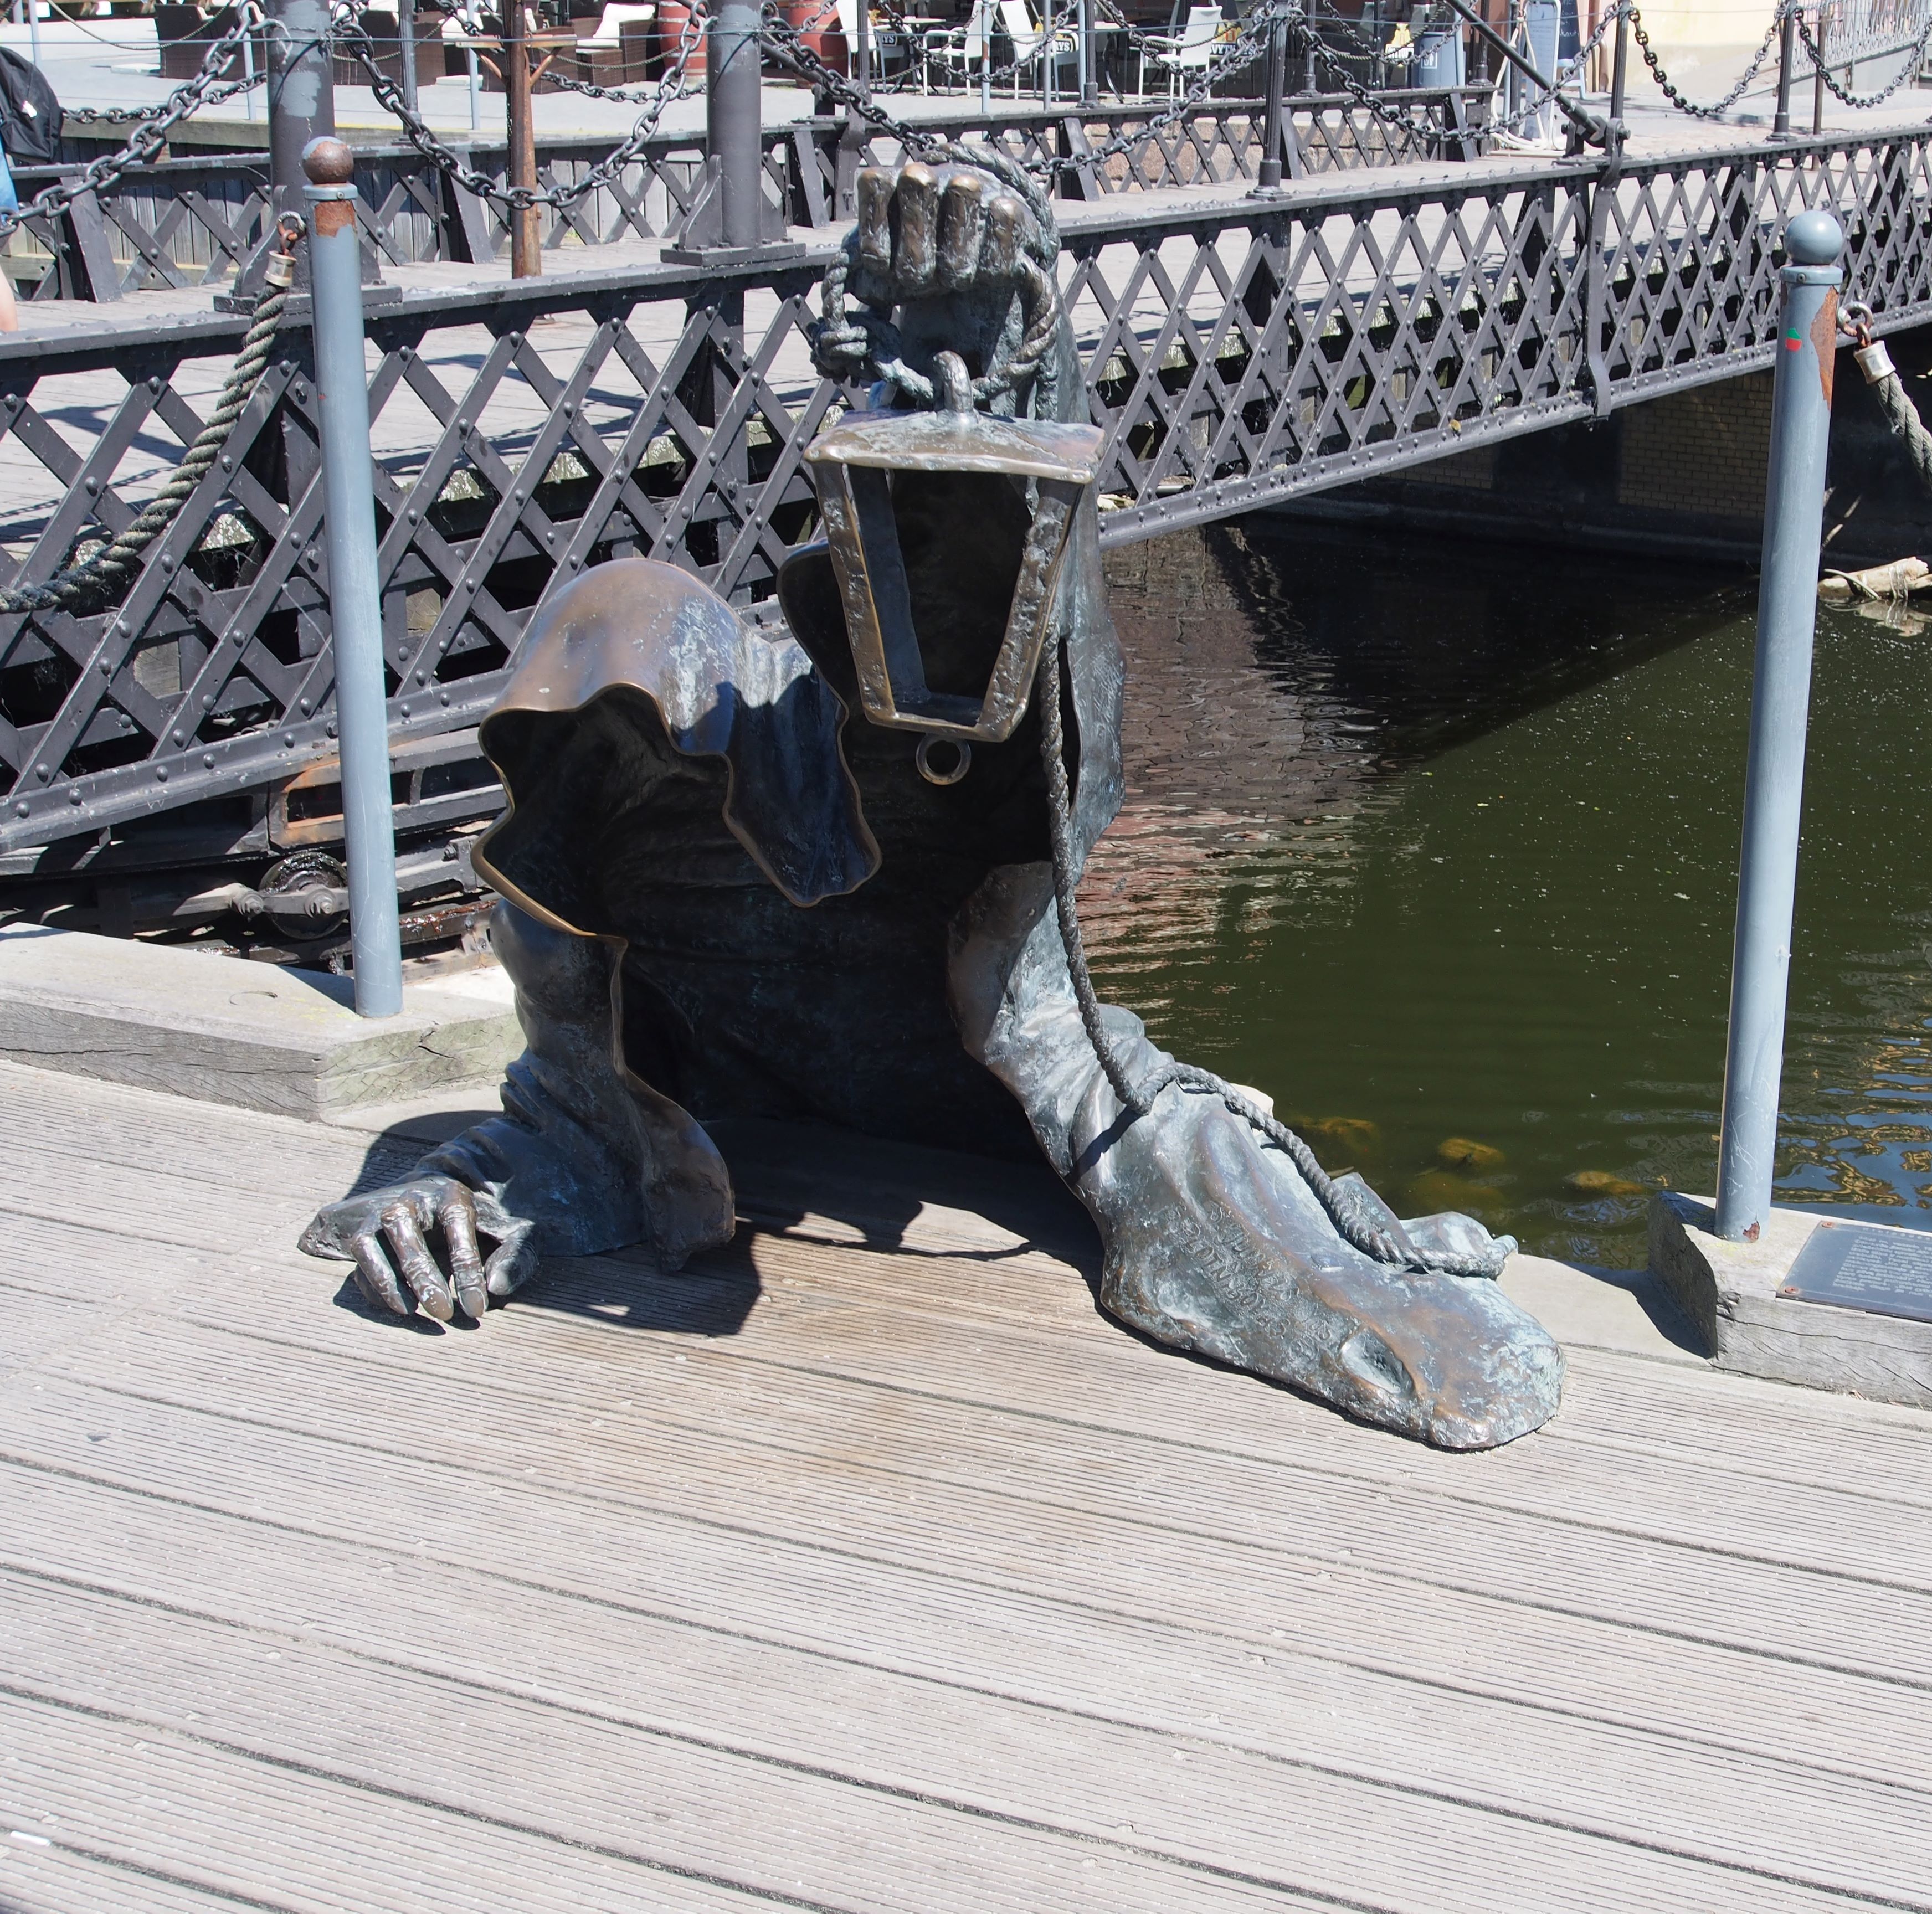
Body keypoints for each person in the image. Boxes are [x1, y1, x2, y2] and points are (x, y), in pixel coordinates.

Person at [296, 162, 1569, 1455]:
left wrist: (1021, 378)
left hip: (999, 1112)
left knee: (979, 714)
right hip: (769, 1131)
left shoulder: (958, 760)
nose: (663, 780)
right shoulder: (609, 791)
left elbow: (1067, 707)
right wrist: (476, 1194)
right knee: (625, 618)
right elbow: (567, 1117)